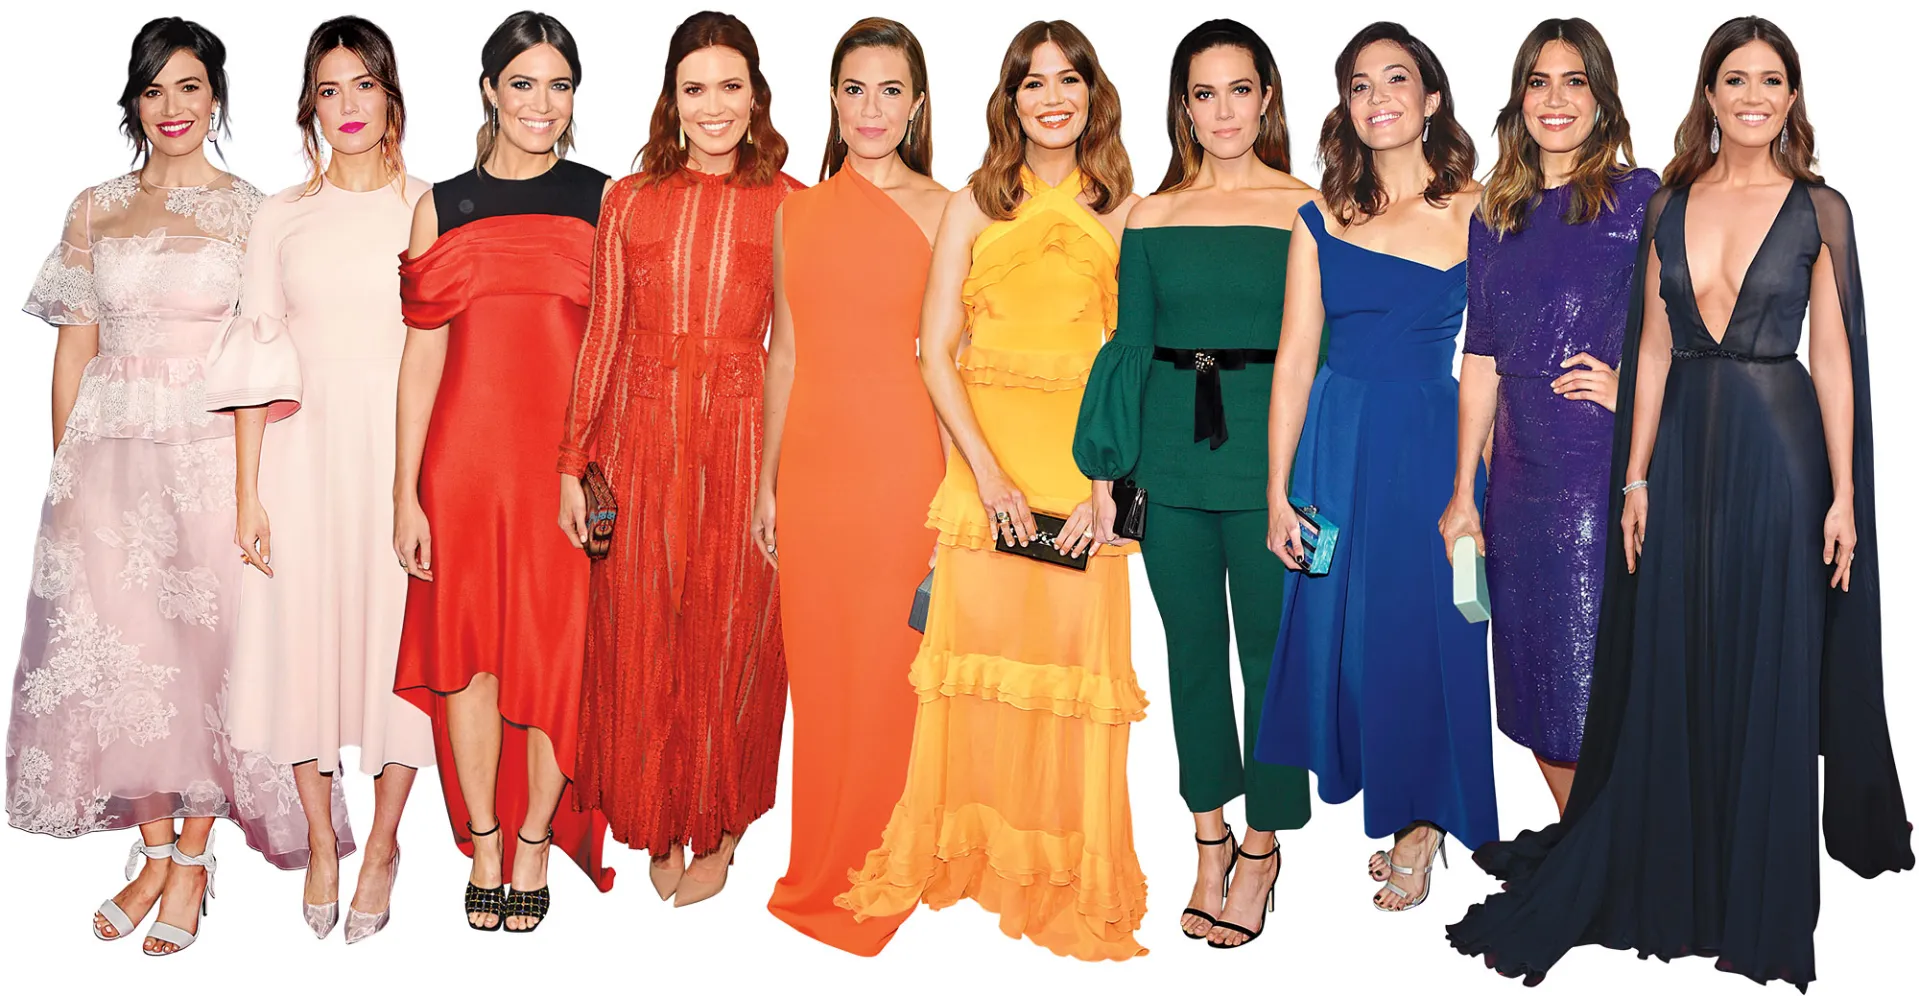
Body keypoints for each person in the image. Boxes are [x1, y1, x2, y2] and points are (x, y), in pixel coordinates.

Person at [1447, 17, 1912, 988]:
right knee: (1679, 661)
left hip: (1778, 457)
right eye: (1733, 79)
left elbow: (1834, 359)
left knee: (1767, 668)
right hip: (1678, 461)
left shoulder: (1820, 208)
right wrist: (1633, 476)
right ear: (1707, 94)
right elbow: (1652, 348)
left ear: (1791, 97)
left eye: (1770, 80)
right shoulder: (1669, 201)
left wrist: (1845, 497)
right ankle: (1680, 877)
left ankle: (1758, 905)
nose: (1752, 96)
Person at [4, 17, 340, 956]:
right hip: (109, 465)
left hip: (211, 458)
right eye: (153, 91)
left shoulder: (254, 212)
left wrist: (259, 487)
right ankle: (152, 851)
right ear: (134, 103)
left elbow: (269, 349)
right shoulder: (94, 208)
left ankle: (193, 859)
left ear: (216, 96)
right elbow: (75, 348)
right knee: (127, 655)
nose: (172, 107)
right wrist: (66, 472)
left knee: (209, 659)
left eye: (189, 87)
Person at [836, 20, 1148, 961]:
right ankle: (968, 861)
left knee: (1066, 683)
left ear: (1093, 94)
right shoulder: (974, 203)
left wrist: (1106, 488)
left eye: (1068, 79)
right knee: (977, 676)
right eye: (1031, 82)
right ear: (1008, 99)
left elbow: (1132, 362)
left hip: (1082, 484)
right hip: (983, 478)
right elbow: (934, 351)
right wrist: (984, 472)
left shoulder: (1127, 210)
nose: (1051, 97)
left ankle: (1054, 876)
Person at [1072, 18, 1316, 949]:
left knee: (1271, 658)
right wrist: (1106, 474)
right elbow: (1129, 347)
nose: (1222, 111)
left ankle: (1262, 846)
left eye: (1238, 90)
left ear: (1266, 97)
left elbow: (1317, 353)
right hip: (1168, 466)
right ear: (1183, 105)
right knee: (1191, 658)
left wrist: (1304, 478)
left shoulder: (1308, 207)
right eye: (1204, 93)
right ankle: (1208, 838)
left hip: (1270, 468)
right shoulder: (1150, 215)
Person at [556, 9, 798, 907]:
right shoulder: (627, 198)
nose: (713, 106)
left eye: (730, 86)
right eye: (695, 89)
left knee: (734, 629)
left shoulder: (792, 201)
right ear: (671, 98)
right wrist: (571, 462)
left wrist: (783, 473)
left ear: (755, 95)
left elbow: (795, 349)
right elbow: (603, 335)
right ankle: (659, 814)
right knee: (645, 627)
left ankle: (722, 823)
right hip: (641, 434)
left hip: (742, 435)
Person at [1253, 20, 1495, 913]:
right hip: (1334, 447)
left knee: (1438, 626)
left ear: (1430, 98)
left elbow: (1494, 353)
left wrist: (1478, 482)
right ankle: (1389, 793)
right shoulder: (1318, 219)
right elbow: (1292, 360)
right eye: (1359, 84)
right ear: (1344, 106)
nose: (1377, 97)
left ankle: (1422, 823)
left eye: (1396, 79)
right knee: (1345, 637)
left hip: (1434, 447)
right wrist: (1276, 491)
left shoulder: (1479, 210)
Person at [206, 16, 430, 944]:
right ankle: (323, 843)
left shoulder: (430, 205)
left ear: (391, 96)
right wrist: (246, 492)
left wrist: (429, 483)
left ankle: (382, 844)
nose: (348, 106)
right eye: (329, 90)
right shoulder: (280, 214)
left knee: (400, 647)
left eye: (363, 85)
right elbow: (257, 357)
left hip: (403, 461)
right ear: (310, 106)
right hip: (300, 462)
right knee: (301, 646)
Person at [394, 10, 615, 933]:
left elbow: (616, 350)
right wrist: (405, 492)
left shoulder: (604, 198)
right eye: (522, 83)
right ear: (489, 90)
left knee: (559, 659)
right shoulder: (443, 205)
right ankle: (483, 839)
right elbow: (422, 357)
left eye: (559, 85)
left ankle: (533, 840)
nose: (541, 103)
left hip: (564, 468)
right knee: (469, 662)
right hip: (464, 466)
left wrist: (593, 464)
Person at [755, 17, 946, 955]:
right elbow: (783, 354)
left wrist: (959, 497)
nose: (871, 109)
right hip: (814, 473)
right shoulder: (795, 212)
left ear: (916, 105)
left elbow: (957, 360)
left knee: (889, 674)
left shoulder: (951, 210)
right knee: (823, 678)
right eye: (854, 89)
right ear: (833, 98)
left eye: (890, 90)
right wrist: (765, 483)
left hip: (904, 468)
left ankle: (886, 863)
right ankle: (820, 859)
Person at [1436, 17, 1658, 815]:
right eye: (1538, 81)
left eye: (1573, 81)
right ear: (1519, 98)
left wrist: (1629, 388)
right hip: (1515, 480)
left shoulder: (1639, 197)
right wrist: (1462, 493)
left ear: (1601, 99)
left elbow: (1688, 325)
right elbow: (1480, 357)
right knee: (1534, 687)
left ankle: (1614, 852)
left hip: (1595, 472)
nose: (1555, 99)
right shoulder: (1494, 213)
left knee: (1596, 684)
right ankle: (1581, 844)